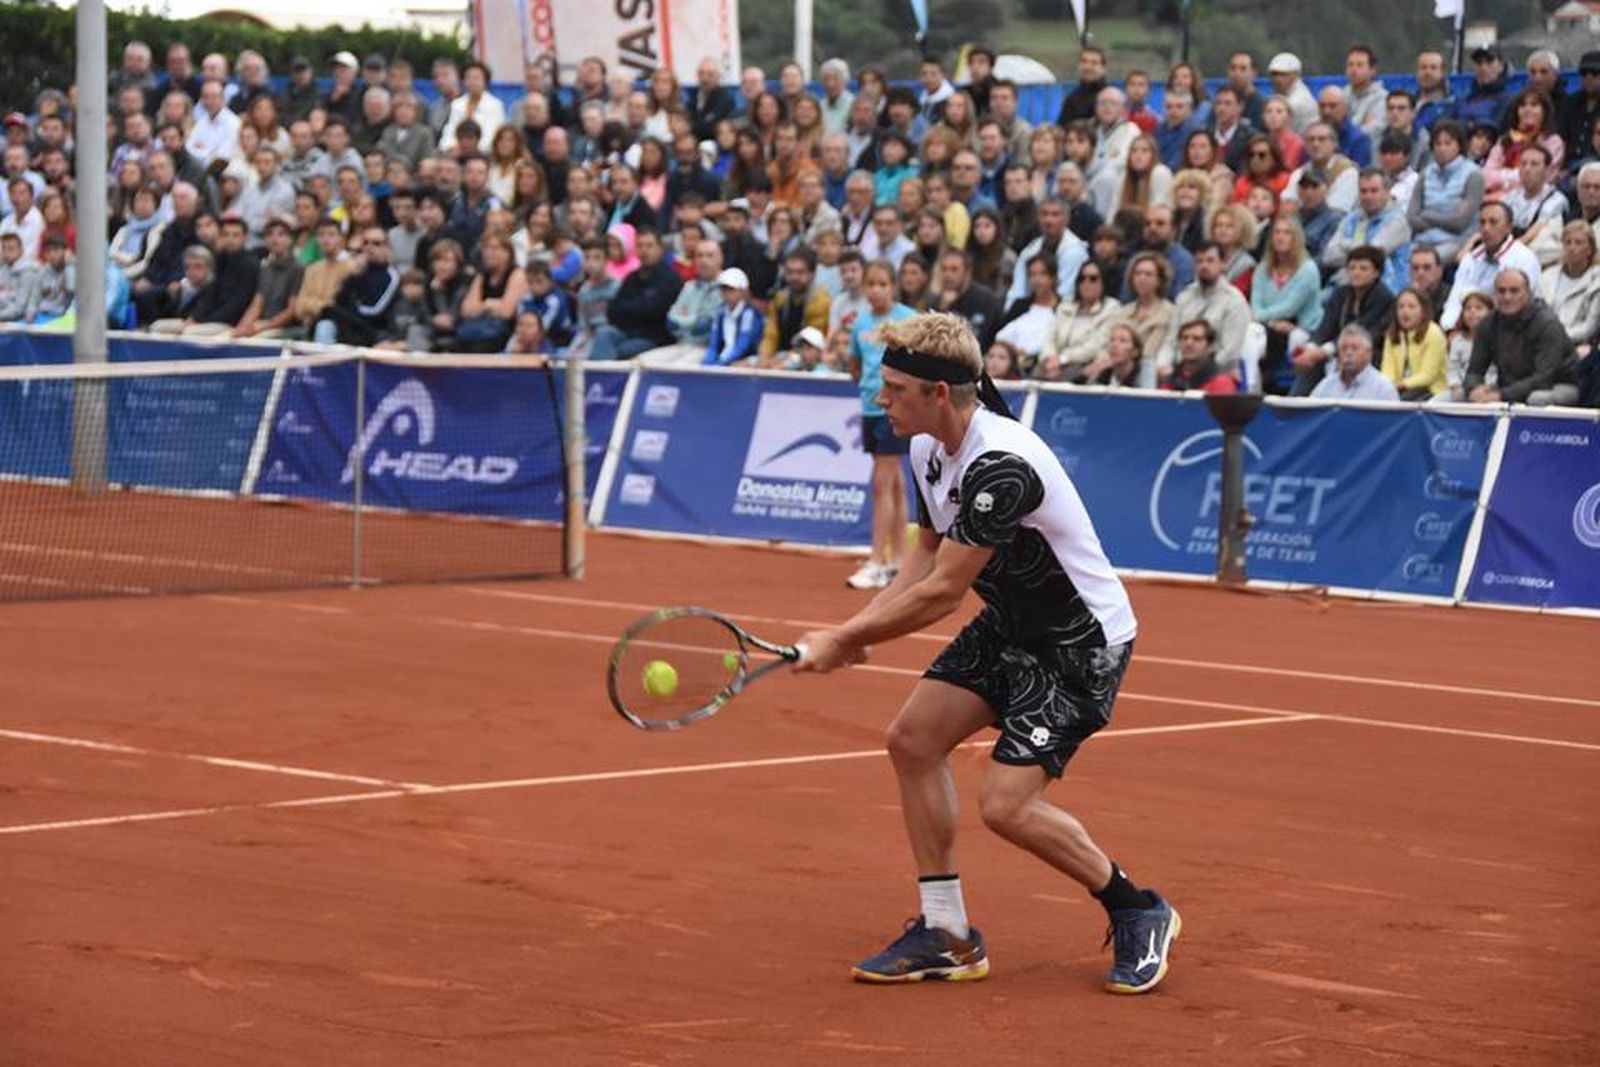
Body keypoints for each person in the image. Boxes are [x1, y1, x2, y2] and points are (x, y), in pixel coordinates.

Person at [795, 311, 1176, 994]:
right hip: (1011, 622)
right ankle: (946, 933)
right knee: (912, 740)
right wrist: (855, 628)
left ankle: (1137, 907)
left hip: (1078, 643)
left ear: (940, 393)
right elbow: (923, 559)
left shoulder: (1002, 464)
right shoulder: (925, 448)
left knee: (1006, 804)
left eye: (896, 388)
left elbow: (943, 592)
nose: (882, 400)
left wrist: (847, 639)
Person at [845, 259, 916, 590]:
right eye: (870, 284)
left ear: (893, 286)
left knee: (881, 482)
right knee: (895, 484)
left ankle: (876, 561)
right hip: (869, 408)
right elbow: (854, 363)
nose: (875, 290)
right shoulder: (860, 323)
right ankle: (899, 562)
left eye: (882, 284)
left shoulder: (907, 320)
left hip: (896, 411)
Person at [1467, 268, 1582, 406]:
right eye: (1501, 291)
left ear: (1527, 293)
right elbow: (1474, 371)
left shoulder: (1547, 323)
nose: (1507, 297)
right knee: (1455, 396)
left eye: (1514, 291)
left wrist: (1501, 395)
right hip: (1509, 387)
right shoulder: (1488, 323)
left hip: (1559, 384)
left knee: (1537, 398)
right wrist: (1474, 388)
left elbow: (1544, 378)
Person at [1292, 245, 1393, 395]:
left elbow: (1365, 333)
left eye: (1363, 268)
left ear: (1376, 273)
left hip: (1369, 355)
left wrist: (1323, 352)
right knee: (1310, 361)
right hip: (1337, 350)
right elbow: (1326, 326)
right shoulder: (1341, 293)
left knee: (1326, 359)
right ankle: (1296, 407)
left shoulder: (1383, 298)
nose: (1356, 273)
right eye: (1352, 268)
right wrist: (1311, 348)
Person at [1252, 215, 1325, 392]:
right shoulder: (1263, 268)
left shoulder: (1308, 269)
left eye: (1287, 232)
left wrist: (1263, 317)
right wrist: (1268, 321)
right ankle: (1252, 388)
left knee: (1288, 338)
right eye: (1277, 232)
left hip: (1302, 328)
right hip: (1269, 326)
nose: (1281, 237)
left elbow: (1289, 307)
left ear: (1296, 238)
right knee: (1250, 334)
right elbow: (1255, 304)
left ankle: (1282, 389)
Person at [1441, 202, 1540, 330]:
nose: (1486, 228)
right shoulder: (1470, 259)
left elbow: (1523, 307)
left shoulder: (1524, 258)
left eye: (1493, 222)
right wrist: (1449, 329)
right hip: (1465, 330)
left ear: (1509, 227)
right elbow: (1454, 302)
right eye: (1482, 223)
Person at [593, 226, 682, 359]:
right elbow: (612, 310)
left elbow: (654, 311)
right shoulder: (632, 278)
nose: (644, 250)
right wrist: (638, 308)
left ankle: (605, 378)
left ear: (660, 248)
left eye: (649, 246)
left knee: (621, 350)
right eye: (640, 246)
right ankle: (599, 378)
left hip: (655, 338)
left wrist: (630, 308)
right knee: (603, 333)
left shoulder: (670, 278)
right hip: (627, 331)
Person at [1168, 241, 1253, 379]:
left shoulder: (1234, 300)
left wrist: (1198, 370)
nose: (1204, 266)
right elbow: (1171, 340)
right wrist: (1165, 364)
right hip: (1181, 370)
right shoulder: (1184, 297)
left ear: (1222, 264)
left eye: (1210, 261)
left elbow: (1230, 351)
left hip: (1219, 373)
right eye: (1199, 261)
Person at [1407, 121, 1484, 267]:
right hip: (1421, 240)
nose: (1442, 148)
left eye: (1448, 143)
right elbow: (1411, 218)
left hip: (1455, 241)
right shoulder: (1426, 173)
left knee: (1427, 262)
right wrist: (1445, 219)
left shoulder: (1473, 175)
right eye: (1438, 143)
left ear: (1459, 145)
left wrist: (1427, 215)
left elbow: (1459, 222)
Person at [1322, 169, 1410, 289]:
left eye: (1374, 191)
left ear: (1387, 192)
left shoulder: (1397, 222)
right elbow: (1328, 256)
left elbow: (1369, 257)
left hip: (1386, 291)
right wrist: (1360, 248)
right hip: (1344, 286)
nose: (1368, 196)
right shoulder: (1352, 218)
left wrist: (1345, 244)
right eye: (1363, 191)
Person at [314, 225, 400, 347]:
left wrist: (349, 311)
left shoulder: (391, 275)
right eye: (365, 243)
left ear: (387, 248)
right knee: (325, 326)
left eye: (376, 243)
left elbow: (374, 311)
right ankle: (323, 364)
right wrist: (354, 276)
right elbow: (339, 301)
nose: (369, 247)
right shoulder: (358, 271)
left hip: (376, 331)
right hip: (352, 327)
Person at [1038, 261, 1119, 381]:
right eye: (1082, 278)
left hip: (1084, 364)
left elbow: (1095, 346)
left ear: (1103, 282)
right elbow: (1050, 337)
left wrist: (1062, 359)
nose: (1086, 283)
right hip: (1053, 363)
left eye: (1093, 278)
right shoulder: (1066, 305)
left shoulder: (1112, 308)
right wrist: (1049, 358)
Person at [233, 218, 304, 339]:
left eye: (281, 234)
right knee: (231, 338)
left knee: (254, 341)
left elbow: (292, 310)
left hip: (284, 328)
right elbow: (257, 304)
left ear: (290, 239)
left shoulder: (297, 268)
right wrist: (243, 326)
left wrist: (263, 326)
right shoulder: (265, 267)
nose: (274, 239)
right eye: (270, 234)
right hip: (261, 323)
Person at [1541, 221, 1600, 357]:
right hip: (1543, 339)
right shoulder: (1547, 276)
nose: (1572, 248)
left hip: (1576, 345)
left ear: (1590, 249)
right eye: (1568, 242)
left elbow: (1590, 327)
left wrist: (1557, 337)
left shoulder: (1597, 281)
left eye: (1578, 243)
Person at [760, 247, 831, 360]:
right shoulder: (779, 299)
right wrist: (763, 359)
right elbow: (770, 336)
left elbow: (810, 343)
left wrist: (781, 362)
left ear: (812, 273)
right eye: (790, 272)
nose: (794, 277)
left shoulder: (820, 300)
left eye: (800, 272)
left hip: (808, 359)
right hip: (779, 357)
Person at [1381, 286, 1448, 399]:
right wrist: (1389, 385)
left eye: (1411, 307)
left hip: (1431, 390)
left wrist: (1401, 384)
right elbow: (1387, 369)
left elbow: (1427, 376)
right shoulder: (1392, 334)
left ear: (1423, 311)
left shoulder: (1434, 333)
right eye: (1401, 307)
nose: (1405, 311)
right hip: (1399, 388)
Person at [935, 247, 1004, 350]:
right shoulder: (937, 302)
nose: (948, 274)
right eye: (944, 269)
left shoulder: (986, 301)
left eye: (954, 269)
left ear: (967, 272)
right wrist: (943, 309)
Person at [1310, 324, 1400, 401]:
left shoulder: (1383, 388)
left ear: (1368, 353)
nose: (1348, 353)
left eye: (1355, 348)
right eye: (1344, 348)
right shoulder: (1326, 385)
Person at [704, 267, 764, 365]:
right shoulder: (720, 312)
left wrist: (722, 363)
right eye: (723, 289)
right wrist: (708, 362)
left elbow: (743, 345)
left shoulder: (749, 314)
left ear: (743, 291)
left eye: (731, 289)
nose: (726, 293)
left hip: (747, 357)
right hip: (724, 358)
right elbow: (713, 342)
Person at [1162, 318, 1238, 394]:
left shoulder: (1221, 381)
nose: (1189, 343)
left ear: (1210, 346)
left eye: (1197, 339)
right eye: (1184, 338)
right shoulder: (1171, 378)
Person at [1056, 46, 1109, 127]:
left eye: (1094, 63)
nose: (1088, 67)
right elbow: (1060, 129)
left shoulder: (1110, 97)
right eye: (1084, 61)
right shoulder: (1072, 99)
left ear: (1103, 68)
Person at [1266, 53, 1318, 133]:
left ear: (1295, 75)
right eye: (1274, 74)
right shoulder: (1287, 95)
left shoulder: (1296, 102)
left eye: (1283, 74)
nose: (1277, 79)